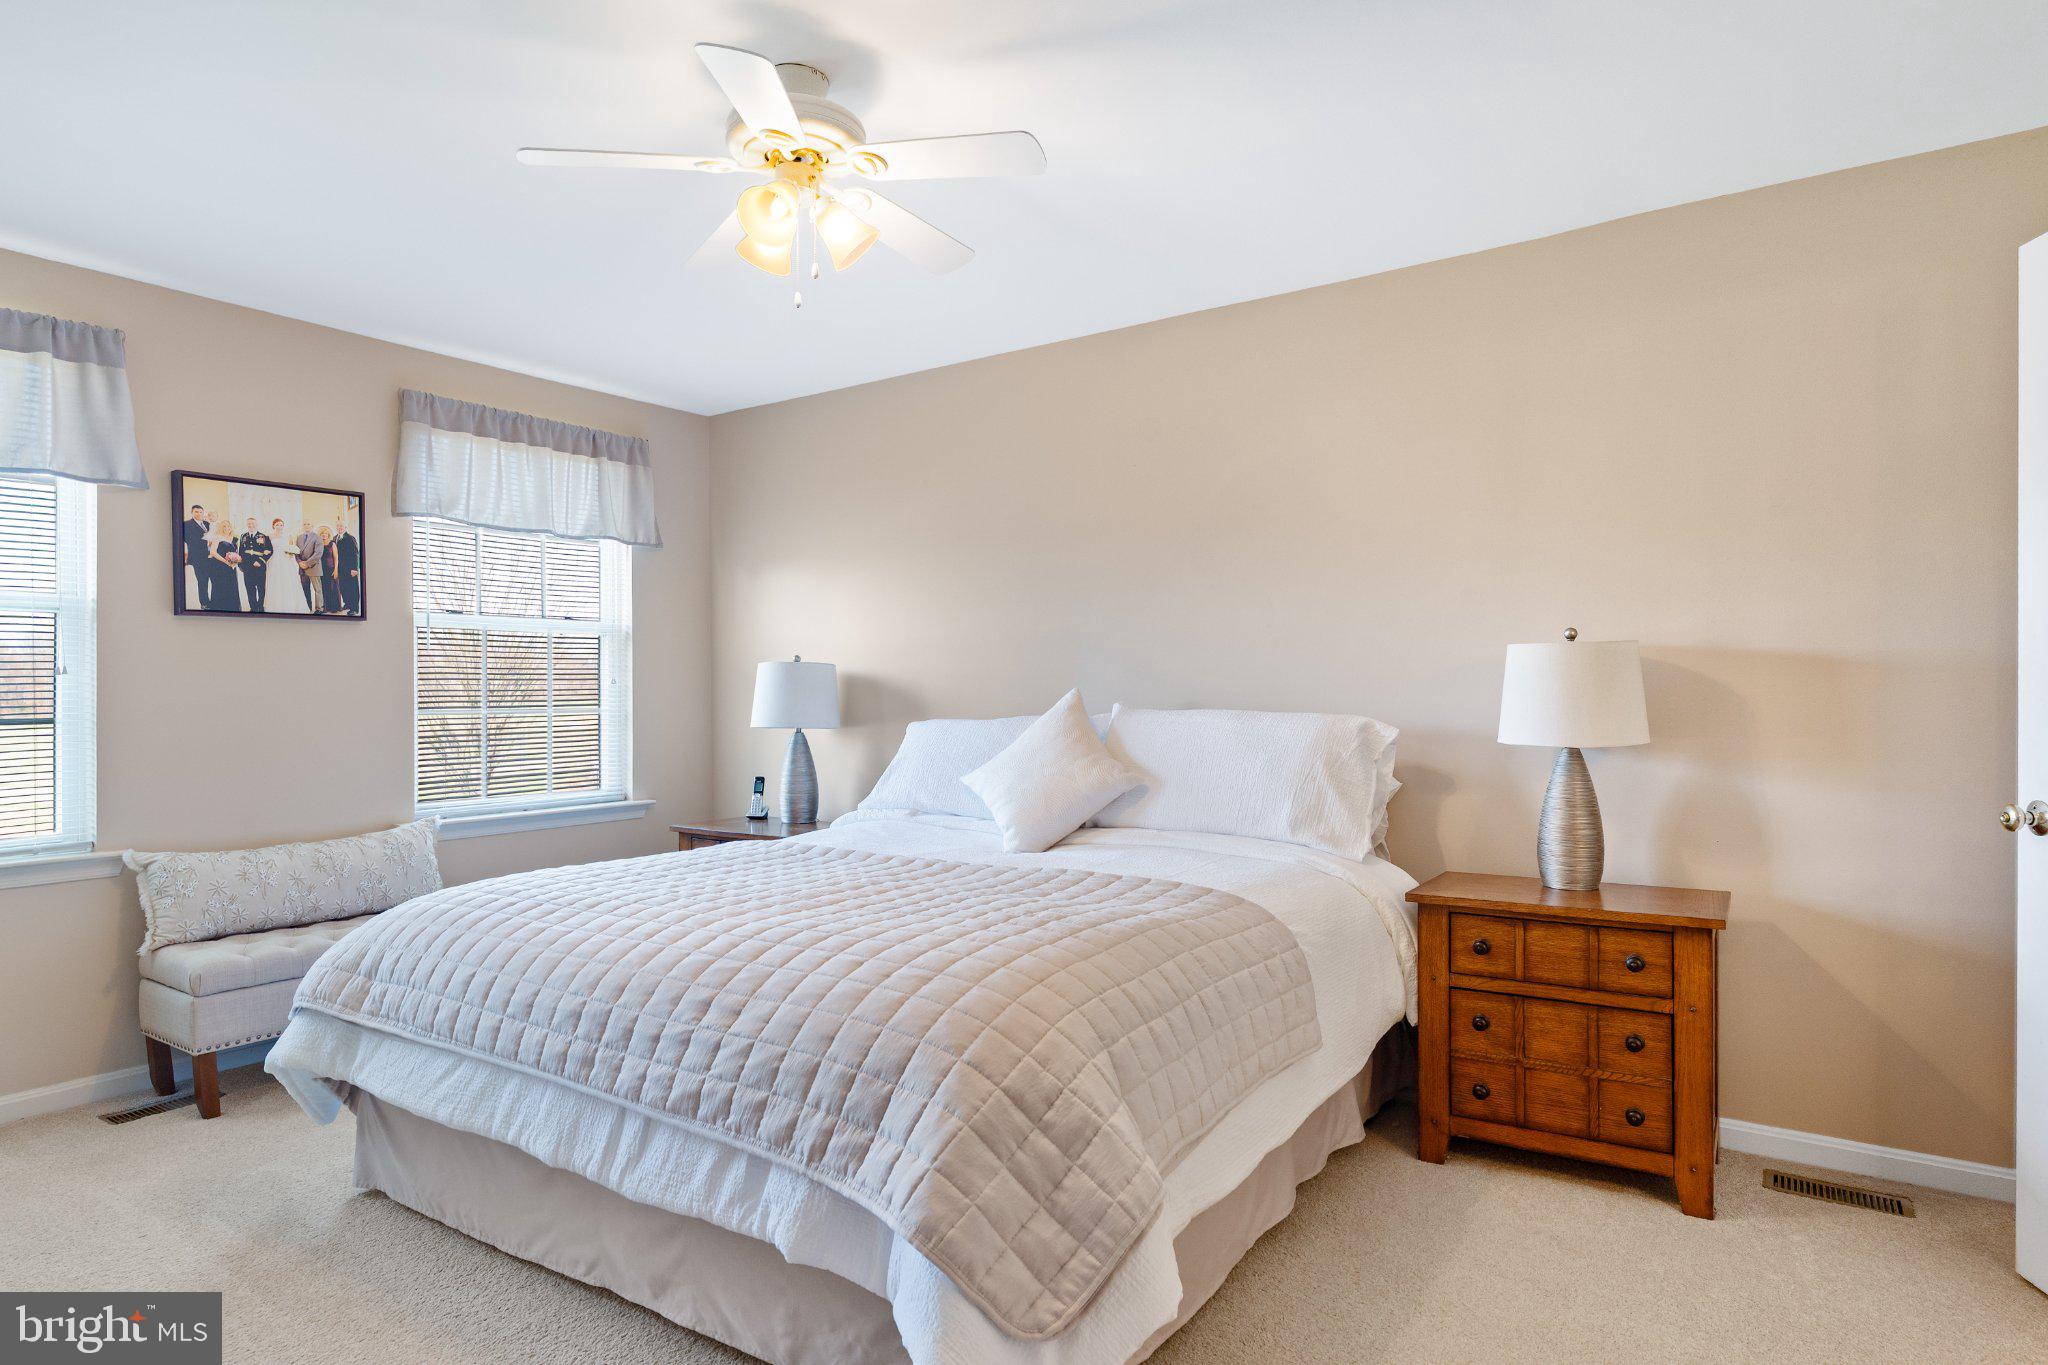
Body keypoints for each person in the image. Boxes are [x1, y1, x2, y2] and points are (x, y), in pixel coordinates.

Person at [261, 518, 304, 614]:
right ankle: (275, 605)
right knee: (275, 581)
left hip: (286, 560)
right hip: (274, 560)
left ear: (283, 526)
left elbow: (291, 547)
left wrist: (291, 552)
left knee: (287, 580)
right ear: (273, 526)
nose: (279, 526)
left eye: (281, 525)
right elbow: (267, 548)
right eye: (277, 525)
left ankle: (290, 604)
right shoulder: (269, 536)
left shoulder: (288, 536)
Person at [204, 516, 243, 611]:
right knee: (220, 586)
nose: (226, 528)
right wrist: (226, 561)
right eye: (224, 526)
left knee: (231, 586)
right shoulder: (217, 538)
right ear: (221, 528)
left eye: (228, 526)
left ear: (231, 528)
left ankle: (232, 608)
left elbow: (237, 552)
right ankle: (219, 608)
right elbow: (213, 552)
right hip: (219, 566)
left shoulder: (235, 539)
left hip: (231, 567)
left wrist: (236, 561)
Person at [237, 517, 272, 613]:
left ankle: (260, 606)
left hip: (259, 566)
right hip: (247, 566)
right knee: (249, 587)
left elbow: (269, 551)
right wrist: (241, 565)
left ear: (256, 524)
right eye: (249, 523)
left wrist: (260, 561)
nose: (251, 525)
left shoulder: (263, 536)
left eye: (253, 523)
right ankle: (253, 607)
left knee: (261, 587)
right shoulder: (243, 536)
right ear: (246, 524)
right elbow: (241, 551)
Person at [181, 505, 213, 610]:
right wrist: (203, 539)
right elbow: (186, 539)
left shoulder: (207, 524)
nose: (199, 514)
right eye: (196, 512)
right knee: (202, 580)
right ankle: (204, 603)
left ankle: (213, 601)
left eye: (200, 512)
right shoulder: (186, 524)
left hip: (210, 557)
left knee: (211, 579)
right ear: (192, 512)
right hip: (197, 557)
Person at [333, 514, 361, 615]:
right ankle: (347, 603)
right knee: (343, 587)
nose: (339, 527)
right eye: (338, 526)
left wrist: (354, 569)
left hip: (350, 568)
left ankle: (354, 608)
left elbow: (355, 554)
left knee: (352, 588)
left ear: (345, 527)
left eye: (341, 526)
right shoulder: (335, 538)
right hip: (340, 568)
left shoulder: (350, 538)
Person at [294, 520, 323, 613]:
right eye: (304, 524)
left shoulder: (317, 537)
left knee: (317, 589)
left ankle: (319, 608)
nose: (306, 526)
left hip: (313, 566)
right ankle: (307, 607)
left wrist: (307, 563)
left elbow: (318, 553)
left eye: (308, 524)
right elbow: (296, 552)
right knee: (305, 589)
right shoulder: (299, 538)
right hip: (302, 568)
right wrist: (299, 562)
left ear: (312, 526)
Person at [317, 526, 341, 614]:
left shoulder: (332, 544)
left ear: (328, 535)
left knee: (333, 588)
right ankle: (326, 608)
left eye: (325, 534)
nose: (324, 535)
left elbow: (336, 558)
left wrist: (336, 570)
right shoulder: (319, 544)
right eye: (322, 534)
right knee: (324, 588)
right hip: (321, 569)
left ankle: (334, 607)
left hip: (331, 569)